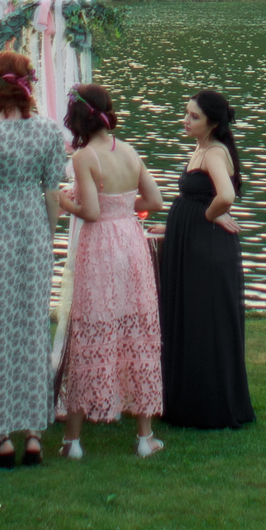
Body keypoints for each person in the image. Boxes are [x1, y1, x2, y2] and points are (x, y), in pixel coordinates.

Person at [0, 49, 69, 468]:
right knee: (30, 333)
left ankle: (1, 438)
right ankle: (34, 435)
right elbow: (52, 193)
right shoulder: (48, 133)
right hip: (33, 238)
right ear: (28, 86)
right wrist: (48, 235)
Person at [54, 83, 168, 458]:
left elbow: (90, 212)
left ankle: (73, 441)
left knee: (89, 328)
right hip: (132, 243)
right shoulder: (130, 151)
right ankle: (144, 437)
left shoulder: (84, 157)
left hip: (100, 245)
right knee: (136, 328)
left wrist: (62, 201)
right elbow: (154, 200)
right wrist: (122, 203)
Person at [159, 89, 254, 429]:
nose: (186, 120)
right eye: (186, 113)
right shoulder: (202, 147)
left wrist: (211, 216)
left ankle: (209, 408)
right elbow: (196, 197)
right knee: (191, 320)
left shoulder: (214, 152)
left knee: (205, 322)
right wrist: (174, 223)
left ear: (212, 123)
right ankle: (189, 401)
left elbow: (225, 196)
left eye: (194, 116)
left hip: (206, 248)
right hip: (192, 243)